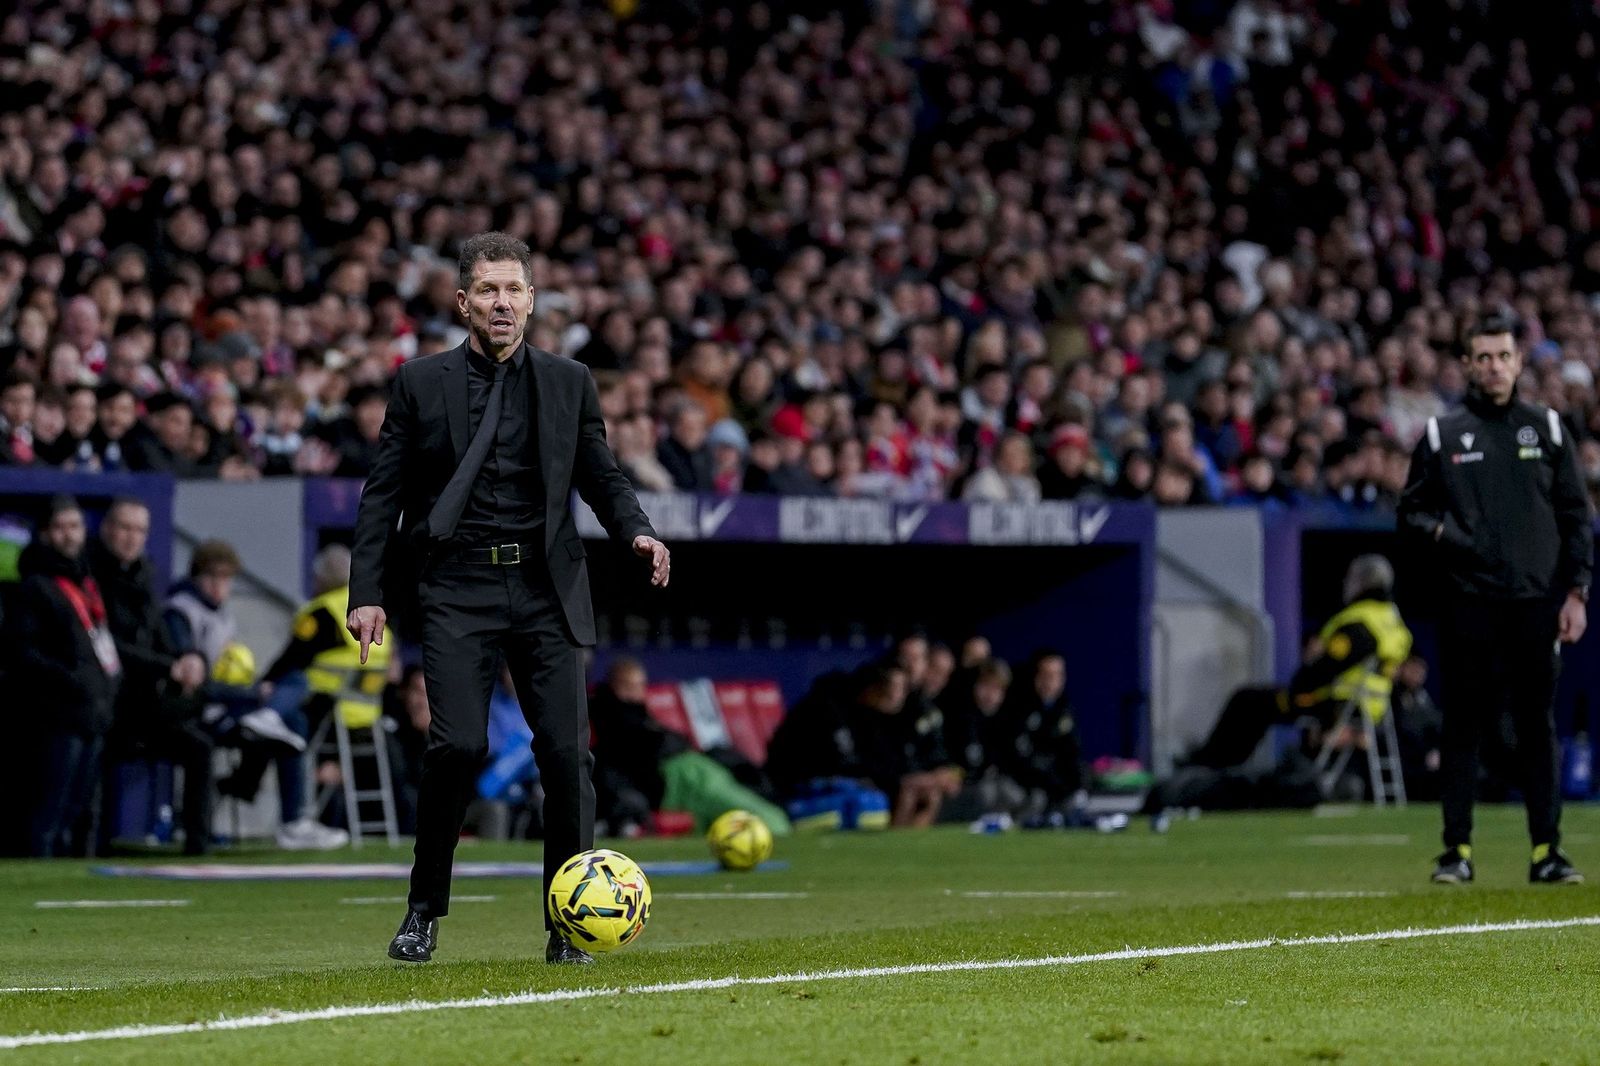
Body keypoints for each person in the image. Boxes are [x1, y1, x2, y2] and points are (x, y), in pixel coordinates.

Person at [347, 231, 669, 966]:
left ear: (531, 299)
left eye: (513, 289)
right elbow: (382, 496)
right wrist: (366, 592)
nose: (501, 302)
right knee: (457, 744)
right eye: (486, 290)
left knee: (564, 756)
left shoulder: (568, 381)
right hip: (456, 588)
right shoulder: (418, 383)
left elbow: (602, 475)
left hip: (544, 588)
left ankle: (567, 925)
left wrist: (639, 532)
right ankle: (423, 909)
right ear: (462, 302)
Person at [1399, 312, 1592, 885]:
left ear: (1518, 361)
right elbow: (1411, 511)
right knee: (1463, 726)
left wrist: (1577, 592)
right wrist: (1449, 537)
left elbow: (1576, 517)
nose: (1494, 367)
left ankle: (1546, 853)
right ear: (1466, 365)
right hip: (1469, 605)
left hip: (1535, 602)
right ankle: (1456, 852)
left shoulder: (1550, 429)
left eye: (1503, 356)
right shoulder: (1443, 434)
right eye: (1482, 357)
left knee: (1537, 726)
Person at [224, 544, 390, 848]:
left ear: (324, 578)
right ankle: (288, 817)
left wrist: (262, 687)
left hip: (326, 714)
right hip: (367, 721)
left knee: (279, 721)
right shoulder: (375, 613)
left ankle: (247, 785)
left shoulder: (322, 613)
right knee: (276, 724)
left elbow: (290, 660)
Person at [89, 498, 213, 854]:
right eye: (125, 528)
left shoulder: (145, 576)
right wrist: (166, 667)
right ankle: (91, 843)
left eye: (140, 530)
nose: (132, 538)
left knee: (199, 743)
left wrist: (189, 658)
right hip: (110, 701)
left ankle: (197, 845)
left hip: (145, 702)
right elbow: (107, 642)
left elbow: (159, 635)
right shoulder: (93, 577)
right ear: (108, 529)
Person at [7, 496, 121, 856]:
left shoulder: (86, 583)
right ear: (44, 534)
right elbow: (22, 653)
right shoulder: (35, 587)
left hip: (93, 712)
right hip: (56, 717)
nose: (68, 535)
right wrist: (71, 679)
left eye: (74, 526)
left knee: (79, 810)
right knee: (48, 809)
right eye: (60, 527)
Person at [588, 659, 791, 837]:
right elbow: (642, 750)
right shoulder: (611, 715)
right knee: (735, 804)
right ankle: (772, 824)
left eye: (641, 685)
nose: (637, 691)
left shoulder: (637, 715)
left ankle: (774, 818)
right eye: (630, 685)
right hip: (677, 779)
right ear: (616, 686)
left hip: (689, 769)